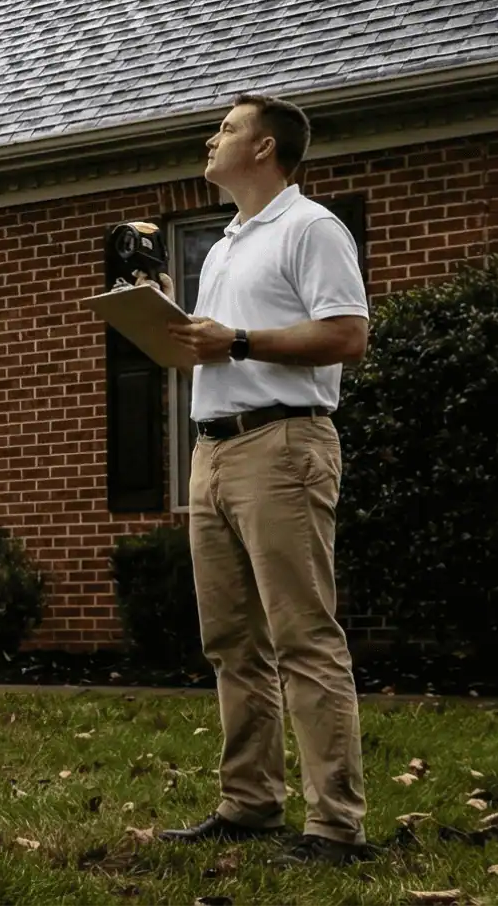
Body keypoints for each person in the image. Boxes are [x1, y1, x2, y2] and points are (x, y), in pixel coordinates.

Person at [154, 94, 373, 865]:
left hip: (283, 446)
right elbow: (221, 348)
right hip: (211, 451)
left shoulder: (311, 226)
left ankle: (335, 826)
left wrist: (239, 341)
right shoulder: (223, 245)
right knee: (231, 641)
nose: (211, 139)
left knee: (303, 637)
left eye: (226, 128)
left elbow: (347, 334)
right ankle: (249, 804)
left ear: (265, 147)